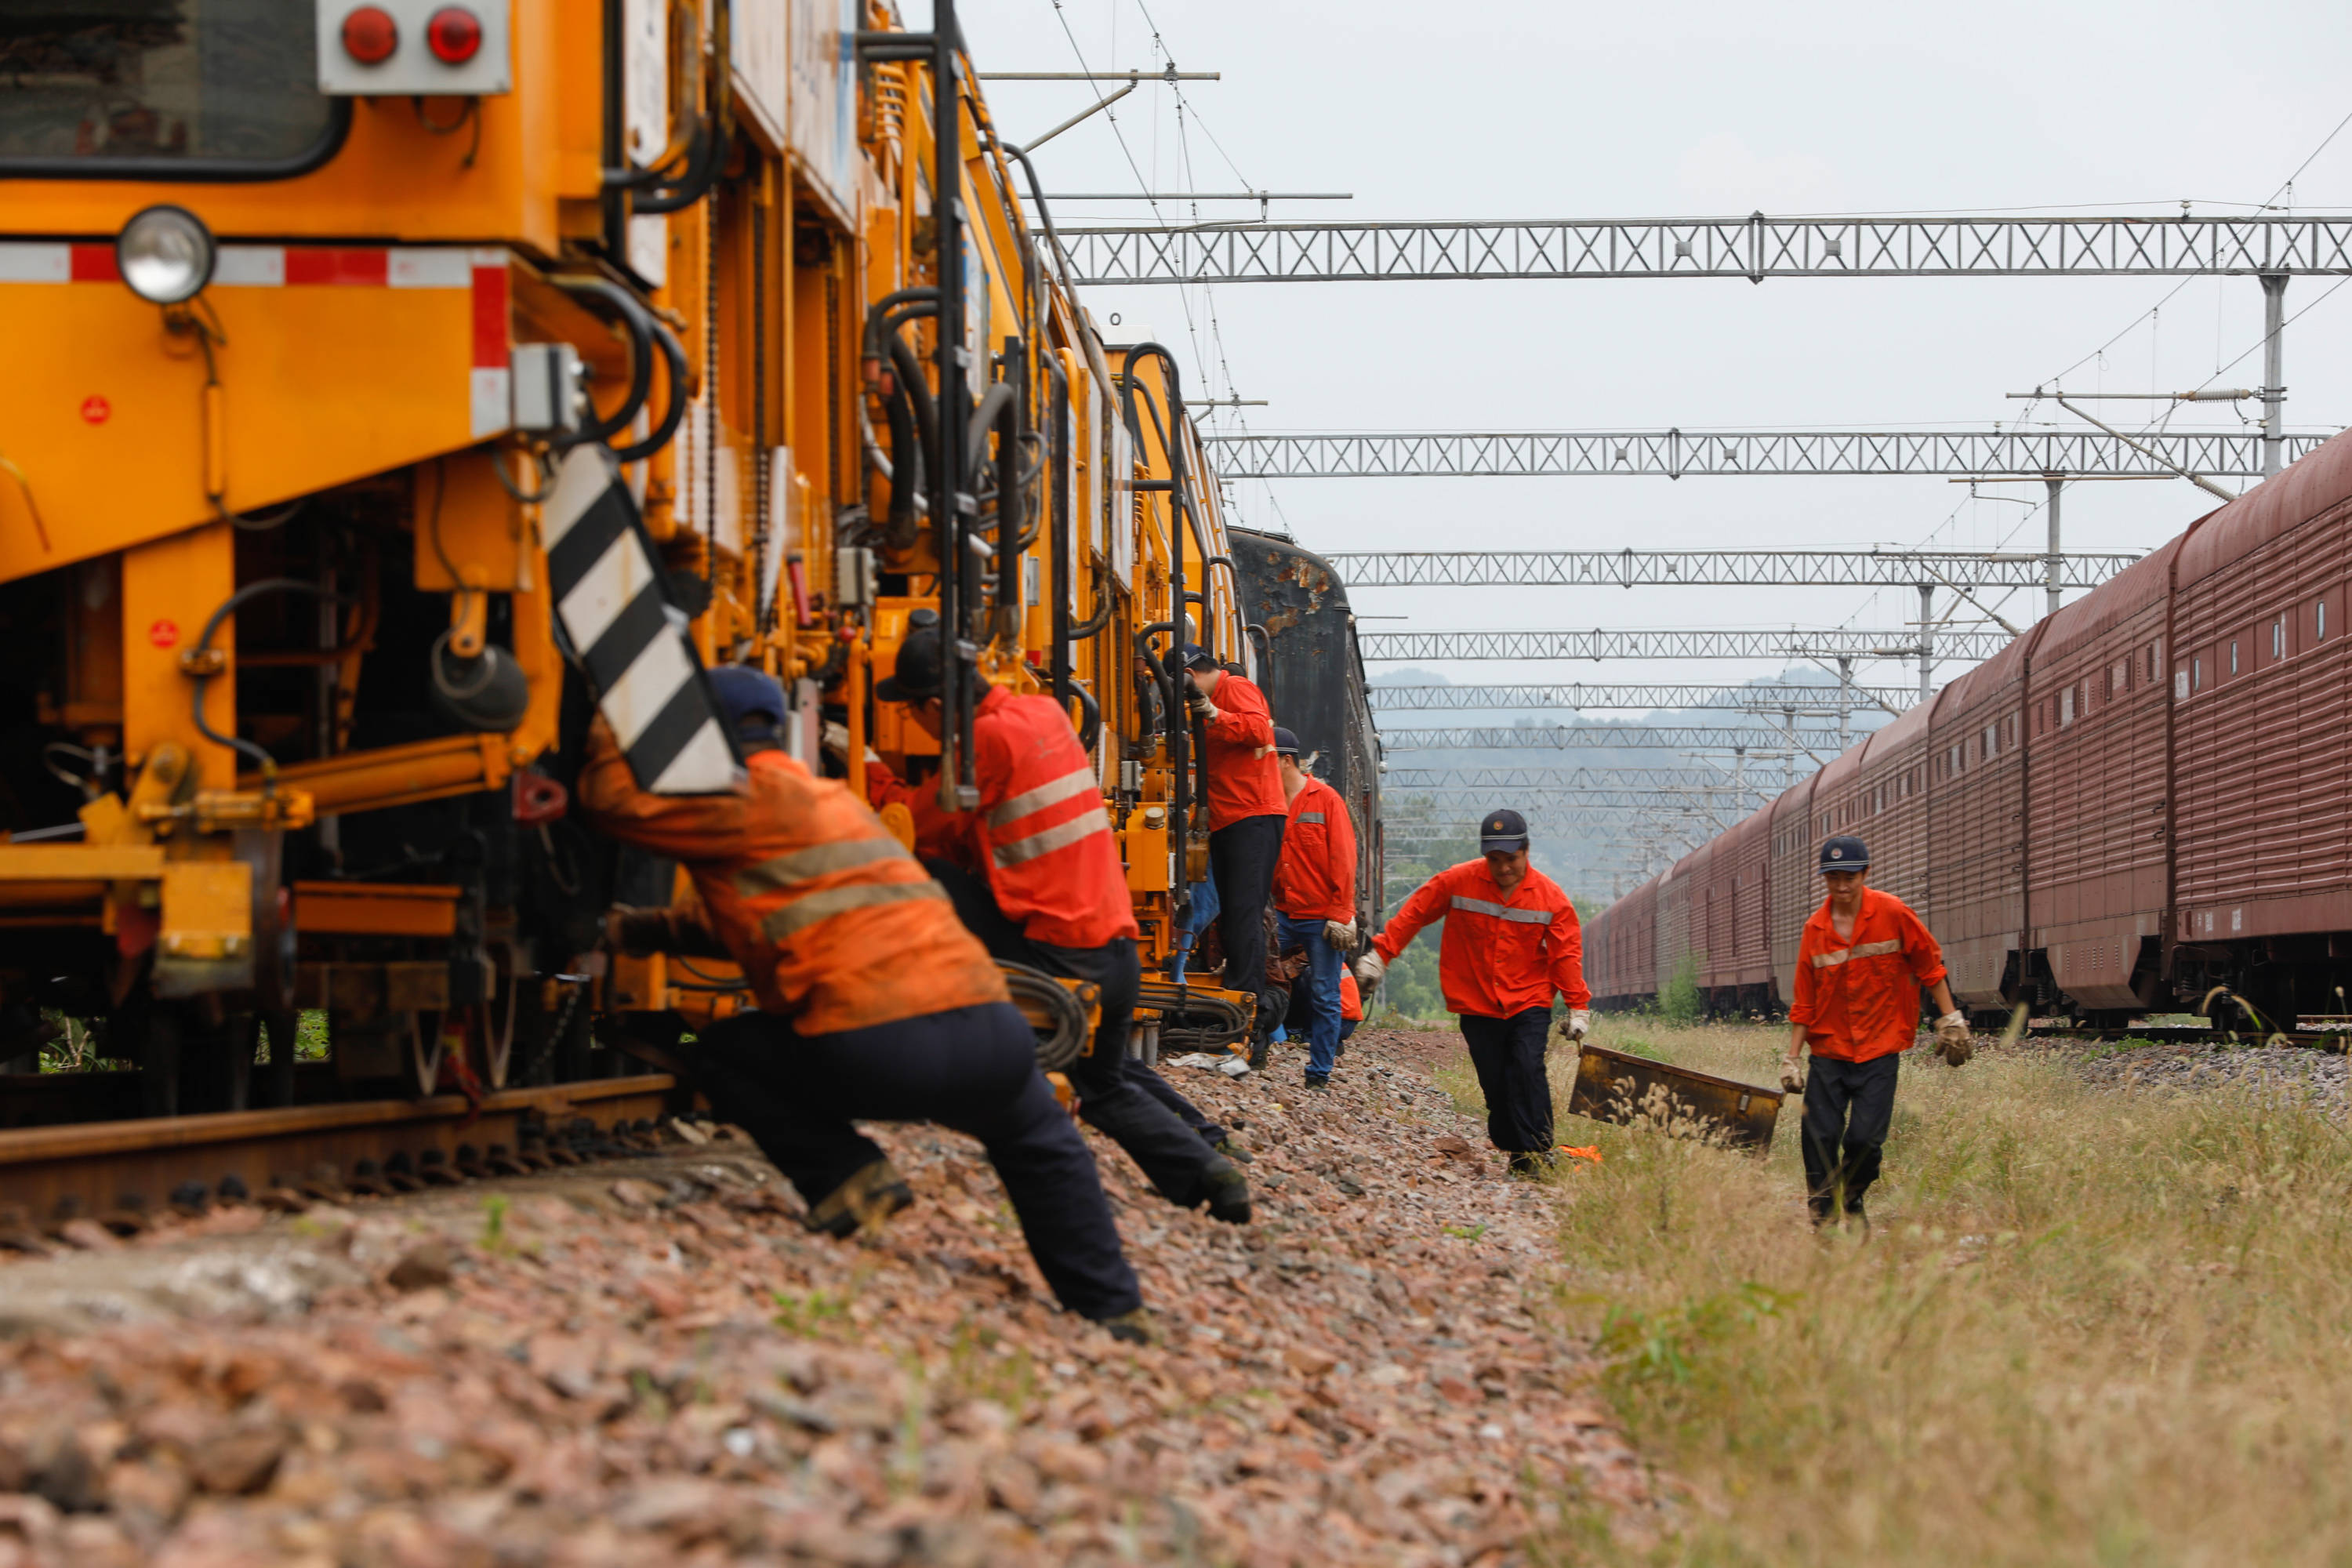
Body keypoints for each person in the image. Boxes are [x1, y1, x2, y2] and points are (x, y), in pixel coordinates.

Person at [580, 664, 1149, 1338]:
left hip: (878, 1048)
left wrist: (617, 706)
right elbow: (755, 913)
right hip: (991, 1033)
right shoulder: (832, 803)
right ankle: (1113, 1309)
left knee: (714, 1046)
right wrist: (642, 932)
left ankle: (849, 1176)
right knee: (1040, 1141)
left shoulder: (733, 796)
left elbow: (610, 800)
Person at [855, 620, 1253, 1224]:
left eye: (912, 713)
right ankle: (1209, 1168)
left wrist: (862, 764)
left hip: (1063, 956)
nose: (916, 725)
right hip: (1116, 950)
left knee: (920, 874)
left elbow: (918, 826)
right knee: (1105, 1082)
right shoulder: (1042, 716)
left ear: (935, 704)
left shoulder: (982, 743)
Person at [1353, 810, 1588, 1175]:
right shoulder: (1458, 881)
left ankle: (1536, 1152)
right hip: (1477, 1003)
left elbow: (1566, 954)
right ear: (1484, 856)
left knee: (1527, 1069)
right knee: (1496, 1084)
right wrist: (1379, 955)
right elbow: (1415, 912)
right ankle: (1514, 1144)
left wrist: (1578, 1007)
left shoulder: (1550, 899)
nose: (1504, 868)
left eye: (1511, 859)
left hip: (1529, 1000)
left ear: (1526, 851)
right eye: (1495, 860)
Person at [1780, 836, 1972, 1227]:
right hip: (1830, 1051)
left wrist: (1950, 1019)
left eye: (1850, 876)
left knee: (1865, 1141)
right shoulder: (1814, 929)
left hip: (1880, 1049)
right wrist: (1793, 1057)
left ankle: (1850, 1195)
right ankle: (1823, 1217)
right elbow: (1805, 1002)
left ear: (1866, 873)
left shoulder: (1893, 912)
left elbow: (1929, 966)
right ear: (1825, 880)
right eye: (1833, 877)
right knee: (1819, 1135)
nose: (1842, 885)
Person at [1167, 643, 1287, 1067]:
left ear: (1192, 673)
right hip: (1231, 818)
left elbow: (1259, 730)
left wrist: (1214, 714)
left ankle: (1247, 1031)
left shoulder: (1234, 688)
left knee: (1243, 919)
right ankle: (1237, 1026)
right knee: (1235, 921)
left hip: (1251, 817)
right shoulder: (1211, 699)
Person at [1269, 728, 1358, 1090]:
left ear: (1285, 760)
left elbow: (1344, 859)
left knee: (1325, 994)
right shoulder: (1269, 803)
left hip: (1320, 916)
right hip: (1281, 911)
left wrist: (1342, 913)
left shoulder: (1326, 800)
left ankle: (1319, 1072)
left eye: (1265, 761)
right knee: (1255, 974)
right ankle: (1258, 1050)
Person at [1338, 967, 1363, 1050]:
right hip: (1348, 1025)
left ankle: (1304, 1035)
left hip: (1340, 1023)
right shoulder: (1339, 963)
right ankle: (1335, 1043)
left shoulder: (1320, 963)